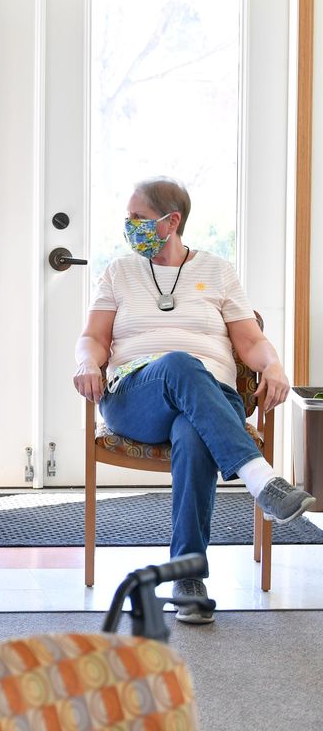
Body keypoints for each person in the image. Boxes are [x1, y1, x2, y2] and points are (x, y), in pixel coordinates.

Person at [74, 177, 315, 624]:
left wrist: (275, 366)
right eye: (128, 218)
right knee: (181, 363)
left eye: (139, 218)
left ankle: (188, 578)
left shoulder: (218, 271)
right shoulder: (118, 272)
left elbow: (250, 340)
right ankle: (261, 479)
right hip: (135, 396)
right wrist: (88, 364)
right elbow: (93, 337)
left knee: (194, 430)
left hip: (210, 397)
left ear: (172, 221)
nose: (129, 226)